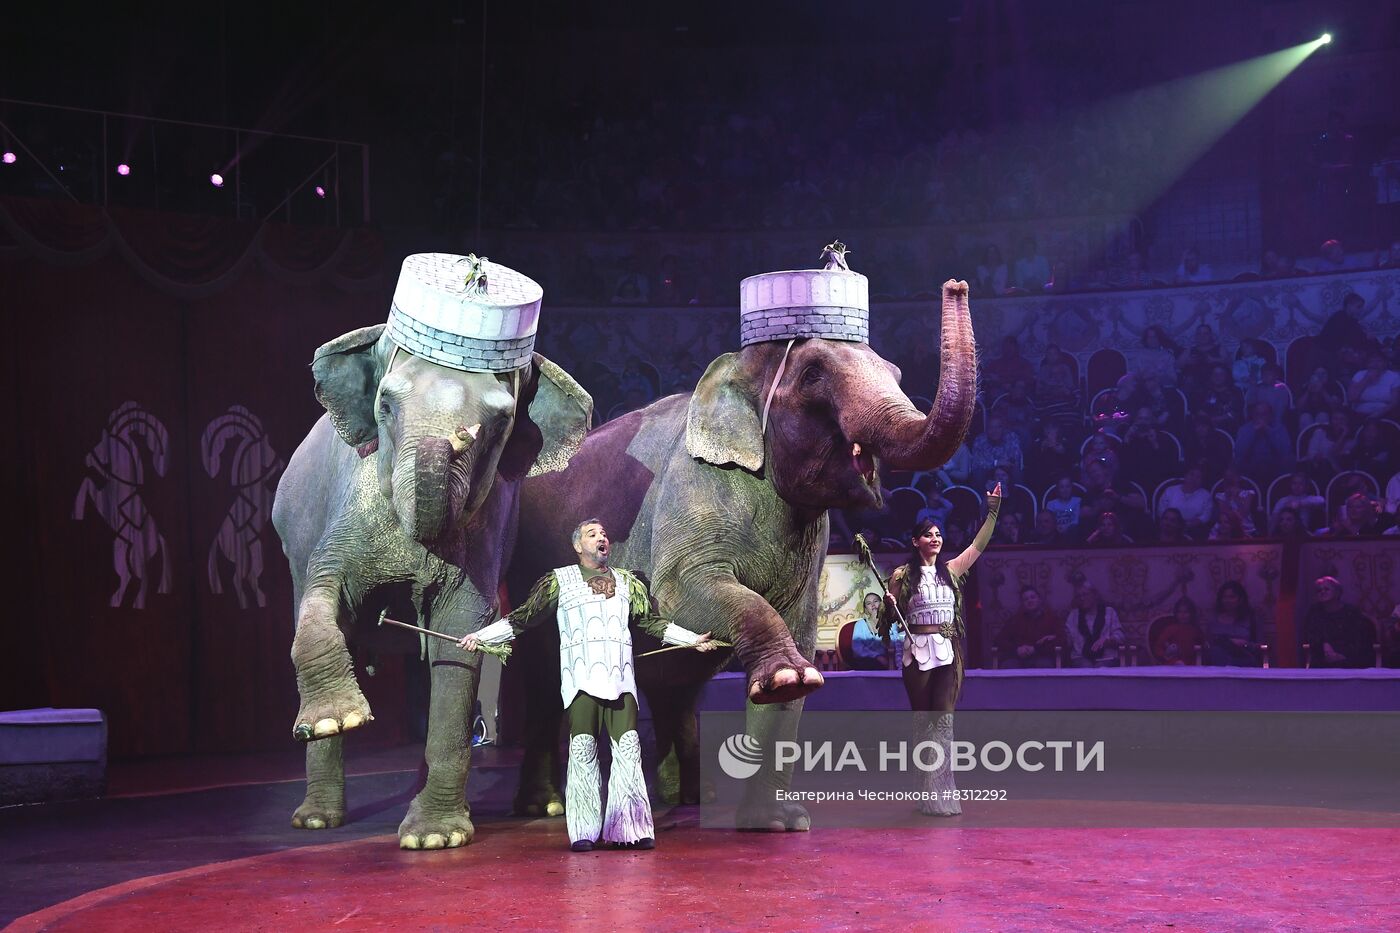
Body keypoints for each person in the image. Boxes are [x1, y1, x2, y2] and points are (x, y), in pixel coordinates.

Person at [461, 519, 718, 851]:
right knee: (582, 751)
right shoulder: (560, 581)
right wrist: (480, 637)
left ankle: (631, 828)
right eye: (592, 534)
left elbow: (651, 623)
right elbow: (523, 618)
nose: (602, 538)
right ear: (577, 546)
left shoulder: (627, 583)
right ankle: (584, 830)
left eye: (605, 534)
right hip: (581, 683)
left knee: (628, 751)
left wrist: (692, 640)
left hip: (621, 682)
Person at [878, 484, 1001, 816]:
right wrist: (889, 604)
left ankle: (944, 788)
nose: (935, 538)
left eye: (938, 534)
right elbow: (891, 618)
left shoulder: (951, 571)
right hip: (915, 651)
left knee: (943, 721)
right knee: (923, 723)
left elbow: (979, 544)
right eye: (928, 534)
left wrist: (993, 510)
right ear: (916, 541)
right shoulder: (901, 576)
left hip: (946, 650)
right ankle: (925, 790)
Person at [1301, 577, 1376, 668]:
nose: (1322, 592)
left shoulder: (1352, 612)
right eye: (1319, 590)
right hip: (1323, 656)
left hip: (1351, 656)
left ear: (1337, 592)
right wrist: (1324, 645)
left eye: (1326, 589)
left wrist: (1341, 655)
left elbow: (1360, 638)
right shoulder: (1314, 612)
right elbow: (1311, 634)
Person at [994, 585, 1065, 668]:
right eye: (1026, 599)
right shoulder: (1014, 620)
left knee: (1044, 665)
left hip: (1042, 656)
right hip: (1018, 658)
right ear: (1022, 603)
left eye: (1033, 597)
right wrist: (1017, 649)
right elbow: (999, 640)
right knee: (1008, 665)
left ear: (1039, 600)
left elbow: (1062, 640)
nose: (1030, 601)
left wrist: (1035, 649)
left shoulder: (1052, 619)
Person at [1064, 582, 1125, 667]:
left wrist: (1107, 640)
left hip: (1106, 657)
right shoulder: (1074, 615)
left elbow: (1120, 636)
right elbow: (1066, 638)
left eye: (1085, 594)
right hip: (1081, 657)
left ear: (1094, 595)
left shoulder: (1109, 612)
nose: (1082, 598)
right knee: (1086, 667)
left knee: (1101, 668)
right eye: (1079, 596)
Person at [1203, 581, 1261, 666]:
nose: (1228, 600)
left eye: (1232, 597)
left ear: (1240, 599)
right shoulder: (1213, 620)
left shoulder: (1252, 619)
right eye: (1224, 597)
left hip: (1244, 664)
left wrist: (1245, 644)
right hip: (1218, 666)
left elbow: (1260, 647)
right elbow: (1207, 645)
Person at [1234, 402, 1292, 482]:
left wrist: (1268, 431)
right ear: (1253, 415)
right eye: (1257, 414)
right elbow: (1239, 453)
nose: (1260, 417)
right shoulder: (1244, 429)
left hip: (1276, 470)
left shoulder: (1280, 428)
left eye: (1264, 414)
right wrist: (1254, 434)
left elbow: (1285, 452)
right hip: (1250, 471)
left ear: (1271, 415)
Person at [1157, 465, 1214, 539]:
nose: (1194, 479)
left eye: (1198, 477)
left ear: (1202, 481)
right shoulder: (1170, 491)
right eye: (1191, 474)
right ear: (1185, 475)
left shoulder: (1206, 495)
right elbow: (1161, 511)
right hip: (1169, 525)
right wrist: (1174, 523)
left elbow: (1206, 516)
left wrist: (1189, 524)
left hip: (1194, 529)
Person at [848, 592, 900, 671]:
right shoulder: (860, 625)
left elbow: (896, 644)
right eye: (869, 603)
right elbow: (857, 648)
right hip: (866, 663)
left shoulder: (892, 624)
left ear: (882, 604)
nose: (873, 605)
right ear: (866, 609)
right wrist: (877, 657)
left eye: (875, 601)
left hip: (890, 660)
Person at [1348, 351, 1400, 418]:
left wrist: (1378, 414)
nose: (1375, 364)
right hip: (1360, 413)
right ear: (1367, 364)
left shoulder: (1394, 377)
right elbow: (1351, 398)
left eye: (1379, 361)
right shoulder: (1359, 375)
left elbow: (1395, 402)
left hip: (1386, 413)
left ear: (1385, 363)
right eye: (1372, 361)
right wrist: (1366, 380)